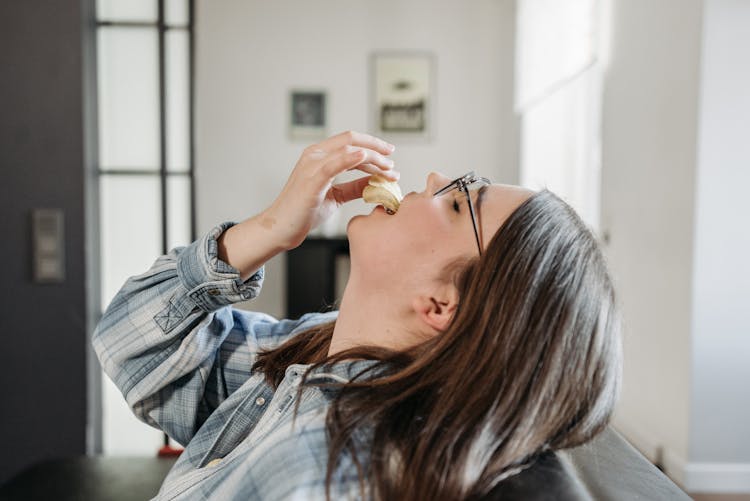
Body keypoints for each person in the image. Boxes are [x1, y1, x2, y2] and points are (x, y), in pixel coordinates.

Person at [93, 131, 622, 500]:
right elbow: (129, 343)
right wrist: (272, 228)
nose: (437, 176)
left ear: (441, 304)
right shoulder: (315, 352)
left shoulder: (328, 473)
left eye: (460, 204)